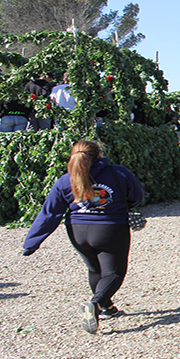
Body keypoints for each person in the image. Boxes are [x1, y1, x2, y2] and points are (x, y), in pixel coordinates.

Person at [22, 140, 145, 333]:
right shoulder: (118, 173)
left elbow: (49, 213)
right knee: (113, 273)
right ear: (99, 155)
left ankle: (107, 308)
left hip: (77, 231)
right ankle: (95, 304)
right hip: (109, 229)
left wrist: (32, 242)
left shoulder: (66, 179)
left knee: (94, 268)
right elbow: (137, 195)